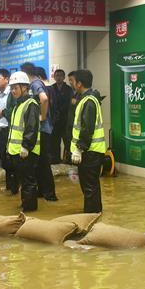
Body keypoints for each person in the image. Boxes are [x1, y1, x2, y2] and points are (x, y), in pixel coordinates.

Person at [70, 69, 106, 213]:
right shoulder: (87, 99)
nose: (72, 84)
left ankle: (91, 217)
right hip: (91, 150)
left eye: (73, 81)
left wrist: (79, 148)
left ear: (79, 84)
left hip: (90, 151)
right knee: (89, 187)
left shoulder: (89, 101)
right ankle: (95, 215)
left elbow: (87, 128)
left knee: (90, 187)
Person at [21, 62, 57, 201]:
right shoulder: (36, 83)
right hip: (42, 129)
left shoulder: (35, 84)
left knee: (43, 163)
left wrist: (42, 116)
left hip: (43, 129)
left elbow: (44, 99)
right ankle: (43, 191)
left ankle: (49, 194)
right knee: (40, 162)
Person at [7, 71, 41, 212]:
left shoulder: (31, 104)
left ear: (25, 87)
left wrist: (26, 146)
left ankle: (30, 210)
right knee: (23, 181)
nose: (13, 91)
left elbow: (31, 127)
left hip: (27, 151)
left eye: (16, 88)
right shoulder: (18, 105)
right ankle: (25, 204)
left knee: (28, 181)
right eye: (12, 88)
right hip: (17, 151)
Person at [51, 68, 74, 163]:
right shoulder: (51, 88)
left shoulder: (69, 89)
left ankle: (69, 160)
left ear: (64, 77)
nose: (59, 77)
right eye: (57, 75)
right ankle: (55, 160)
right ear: (54, 77)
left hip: (65, 120)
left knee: (67, 141)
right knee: (55, 142)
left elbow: (71, 104)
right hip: (55, 121)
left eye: (61, 76)